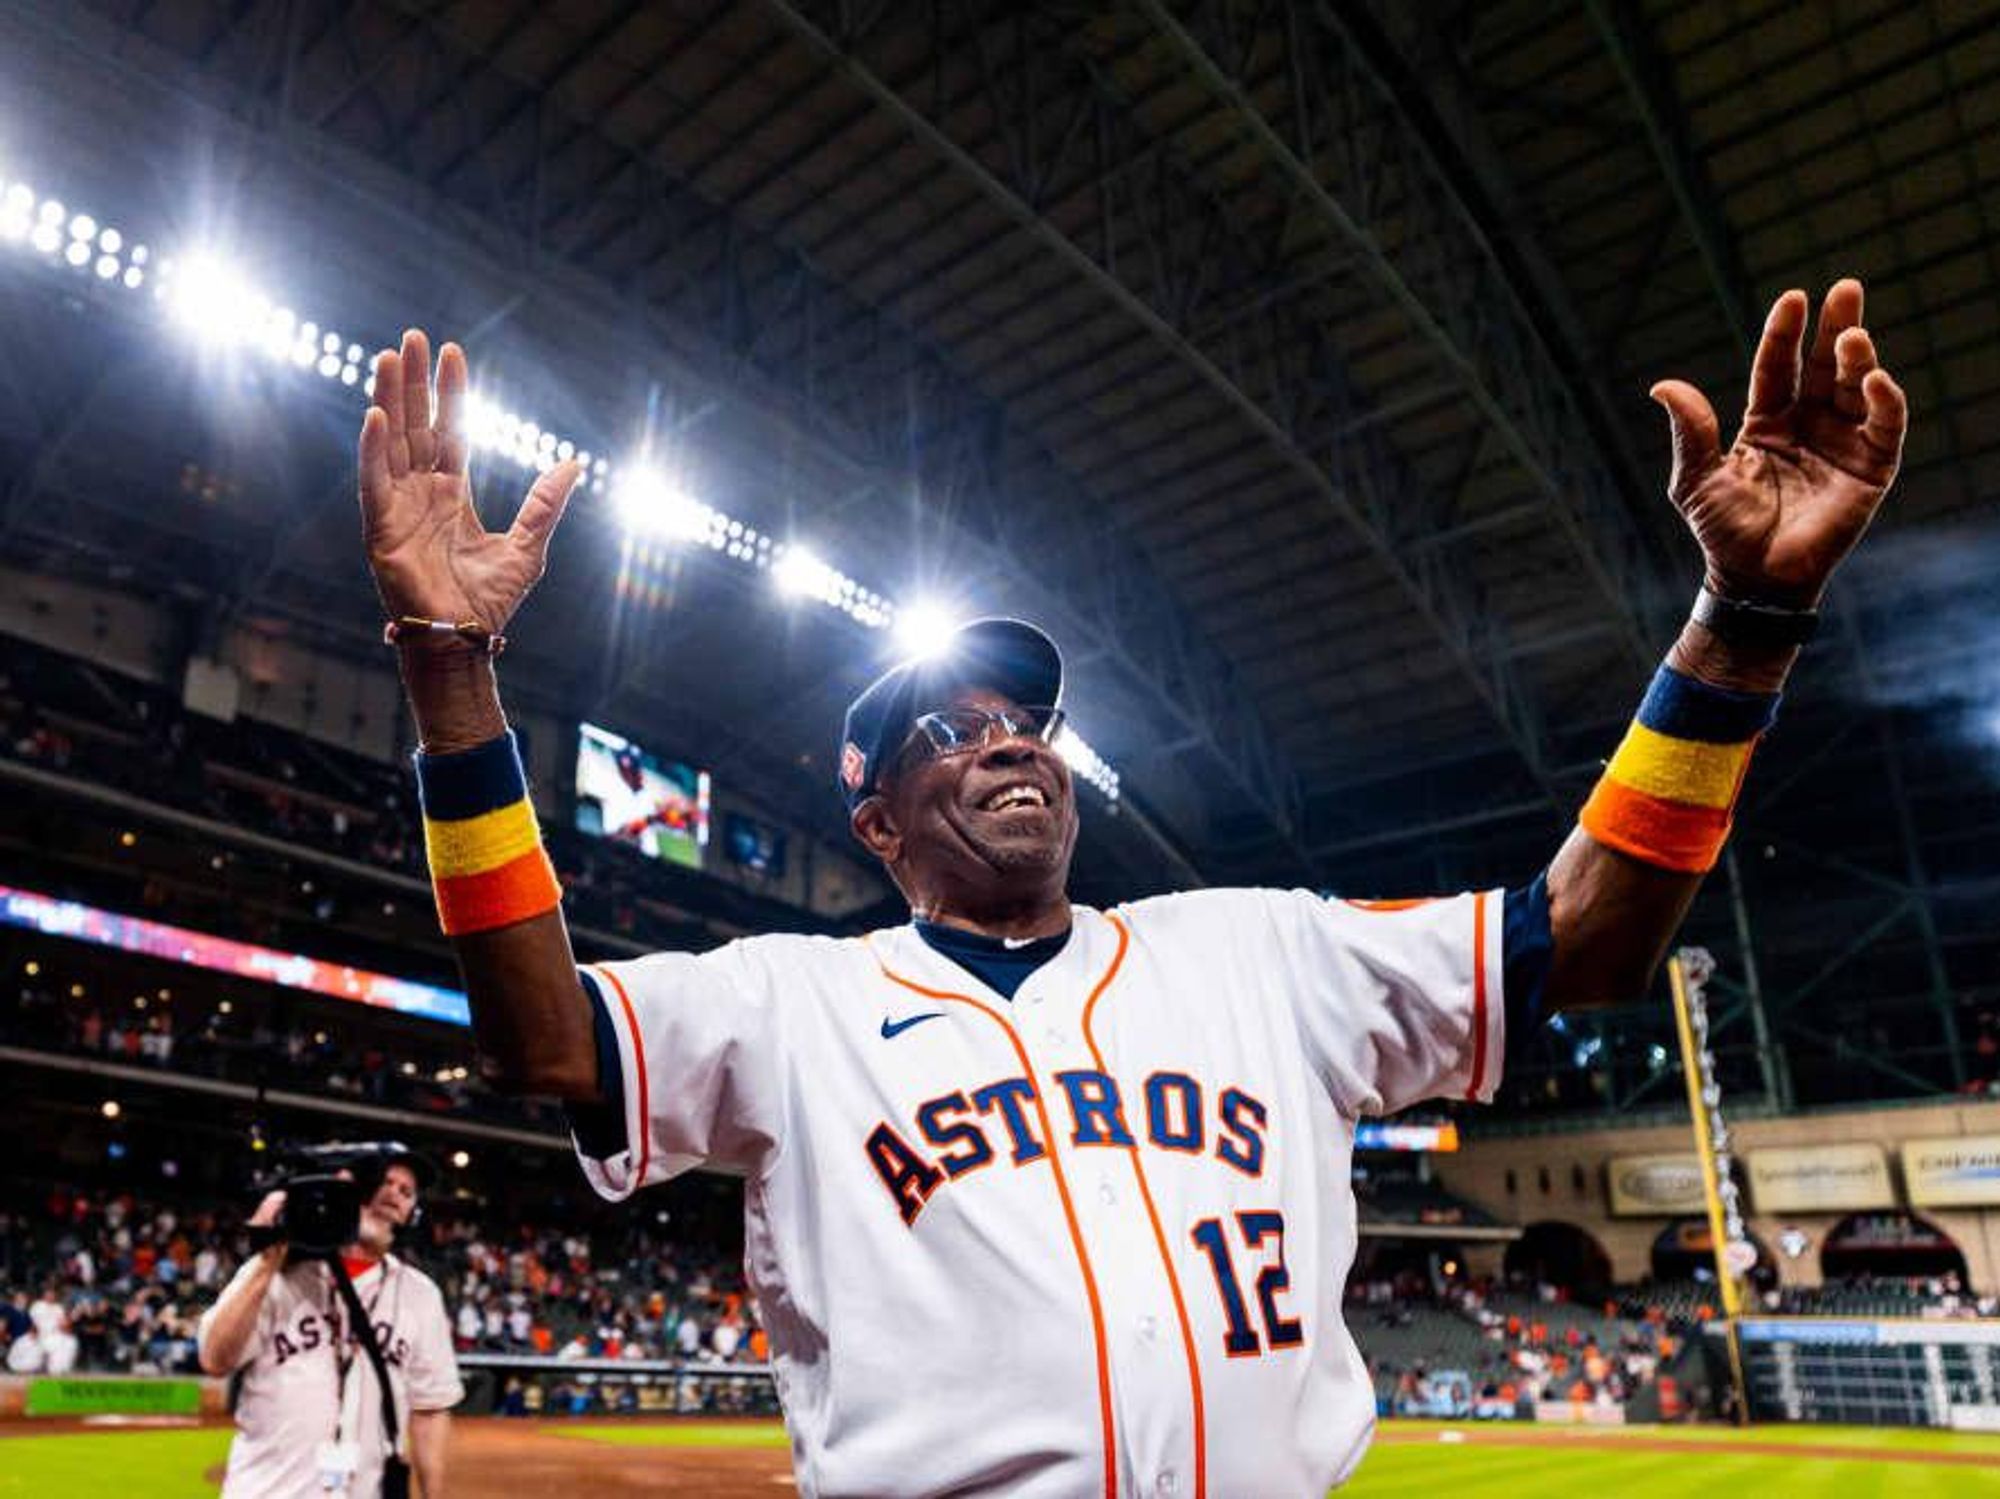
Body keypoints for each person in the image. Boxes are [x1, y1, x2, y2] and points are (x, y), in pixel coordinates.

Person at [359, 279, 1905, 1495]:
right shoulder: (792, 1001)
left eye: (1027, 719)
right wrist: (448, 668)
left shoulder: (1263, 949)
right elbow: (542, 1036)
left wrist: (1743, 621)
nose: (1006, 741)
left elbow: (1584, 938)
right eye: (946, 731)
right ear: (877, 821)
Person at [196, 1150, 462, 1498]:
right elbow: (215, 1359)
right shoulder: (274, 1272)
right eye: (383, 1181)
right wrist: (266, 1260)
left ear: (412, 1215)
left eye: (406, 1191)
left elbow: (430, 1410)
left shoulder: (420, 1295)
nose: (393, 1194)